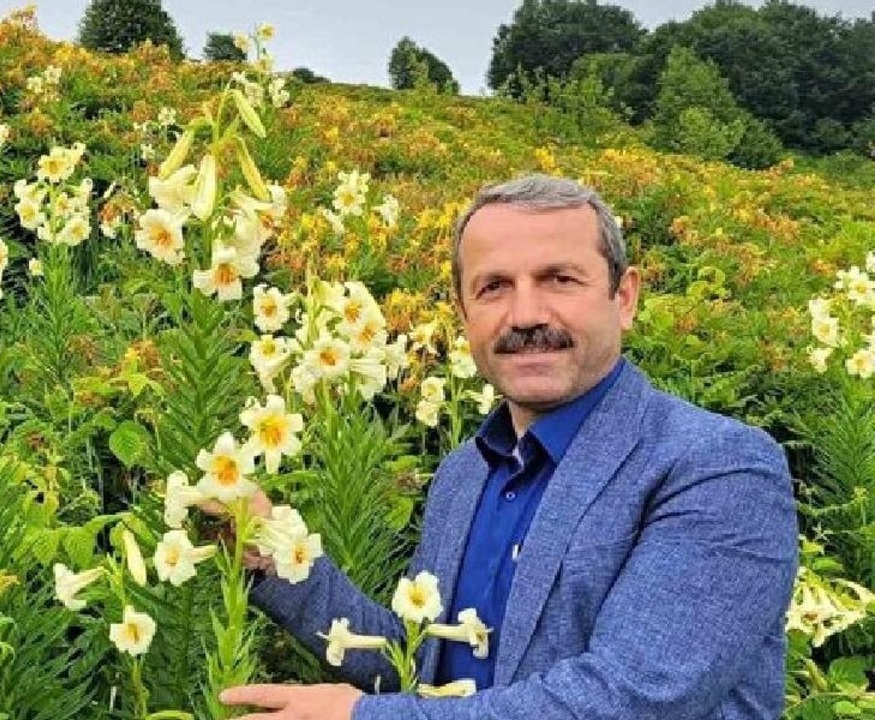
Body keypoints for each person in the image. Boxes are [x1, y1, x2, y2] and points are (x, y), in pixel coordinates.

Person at [216, 174, 799, 719]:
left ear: (624, 298)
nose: (525, 314)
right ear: (464, 312)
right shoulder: (463, 475)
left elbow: (630, 696)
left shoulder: (718, 467)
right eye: (493, 287)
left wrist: (365, 716)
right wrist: (269, 551)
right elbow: (415, 661)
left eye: (560, 280)